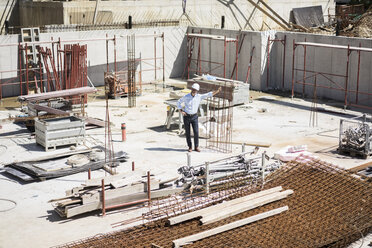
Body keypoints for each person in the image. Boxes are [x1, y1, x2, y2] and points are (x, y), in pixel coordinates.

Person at [177, 83, 221, 152]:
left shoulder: (199, 97)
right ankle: (190, 147)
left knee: (196, 132)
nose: (194, 91)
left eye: (196, 90)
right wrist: (181, 110)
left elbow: (209, 94)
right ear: (191, 89)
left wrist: (217, 91)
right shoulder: (186, 96)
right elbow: (179, 102)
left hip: (194, 116)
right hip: (187, 116)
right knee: (188, 133)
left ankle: (196, 146)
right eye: (193, 89)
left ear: (197, 91)